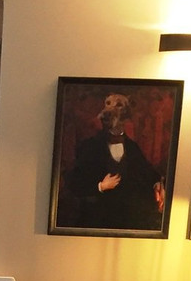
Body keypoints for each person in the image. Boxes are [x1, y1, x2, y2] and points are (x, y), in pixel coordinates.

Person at [61, 93, 165, 231]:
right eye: (108, 103)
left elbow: (147, 172)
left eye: (119, 105)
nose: (110, 109)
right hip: (96, 219)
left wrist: (158, 184)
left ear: (126, 114)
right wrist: (100, 186)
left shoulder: (132, 147)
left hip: (125, 220)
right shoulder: (89, 146)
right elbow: (74, 183)